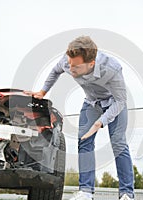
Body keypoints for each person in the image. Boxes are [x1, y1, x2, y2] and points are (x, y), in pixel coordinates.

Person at [26, 36, 135, 200]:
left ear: (91, 64)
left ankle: (127, 193)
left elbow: (121, 101)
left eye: (75, 66)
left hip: (113, 103)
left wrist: (100, 122)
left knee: (118, 143)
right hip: (91, 103)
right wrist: (43, 91)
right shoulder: (68, 61)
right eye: (69, 64)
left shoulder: (112, 69)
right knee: (84, 141)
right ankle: (86, 191)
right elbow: (56, 70)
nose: (70, 68)